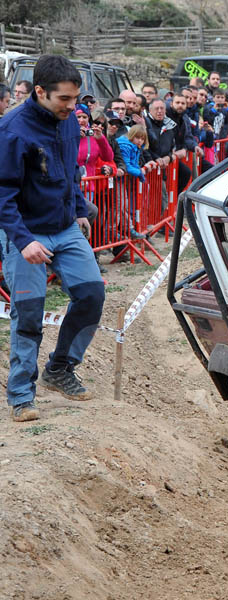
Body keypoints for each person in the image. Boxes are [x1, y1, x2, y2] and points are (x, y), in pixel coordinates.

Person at [0, 55, 106, 421]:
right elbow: (2, 194)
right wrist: (22, 240)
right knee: (29, 312)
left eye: (76, 98)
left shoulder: (68, 121)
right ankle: (20, 396)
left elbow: (70, 171)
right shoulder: (12, 130)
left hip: (65, 227)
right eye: (64, 98)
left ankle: (60, 368)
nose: (72, 106)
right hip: (25, 231)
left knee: (92, 295)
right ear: (40, 91)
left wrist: (78, 209)